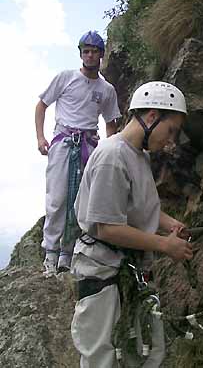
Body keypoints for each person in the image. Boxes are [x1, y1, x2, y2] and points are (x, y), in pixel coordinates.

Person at [70, 81, 193, 367]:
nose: (171, 140)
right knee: (102, 357)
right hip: (103, 272)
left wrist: (171, 225)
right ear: (152, 117)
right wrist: (165, 245)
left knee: (145, 352)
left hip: (126, 268)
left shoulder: (138, 155)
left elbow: (139, 208)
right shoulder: (112, 157)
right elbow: (106, 227)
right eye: (171, 130)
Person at [35, 30, 121, 276]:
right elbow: (41, 105)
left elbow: (111, 121)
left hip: (89, 146)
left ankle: (68, 254)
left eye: (94, 51)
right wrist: (41, 138)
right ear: (81, 54)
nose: (90, 55)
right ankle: (50, 254)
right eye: (86, 51)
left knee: (81, 202)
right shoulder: (66, 78)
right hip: (63, 142)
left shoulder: (106, 89)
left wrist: (108, 148)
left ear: (101, 55)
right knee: (57, 198)